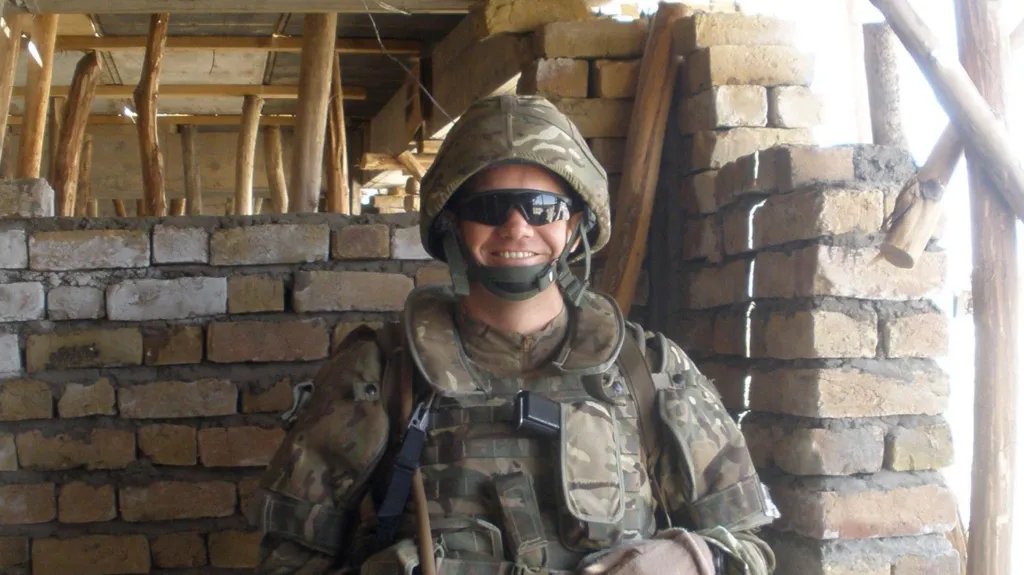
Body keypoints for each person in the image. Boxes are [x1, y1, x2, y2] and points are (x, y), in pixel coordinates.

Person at [253, 94, 777, 575]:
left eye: (541, 208)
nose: (516, 227)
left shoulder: (648, 370)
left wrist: (688, 559)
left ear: (574, 225)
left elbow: (750, 546)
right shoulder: (382, 371)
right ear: (454, 224)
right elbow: (288, 558)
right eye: (487, 208)